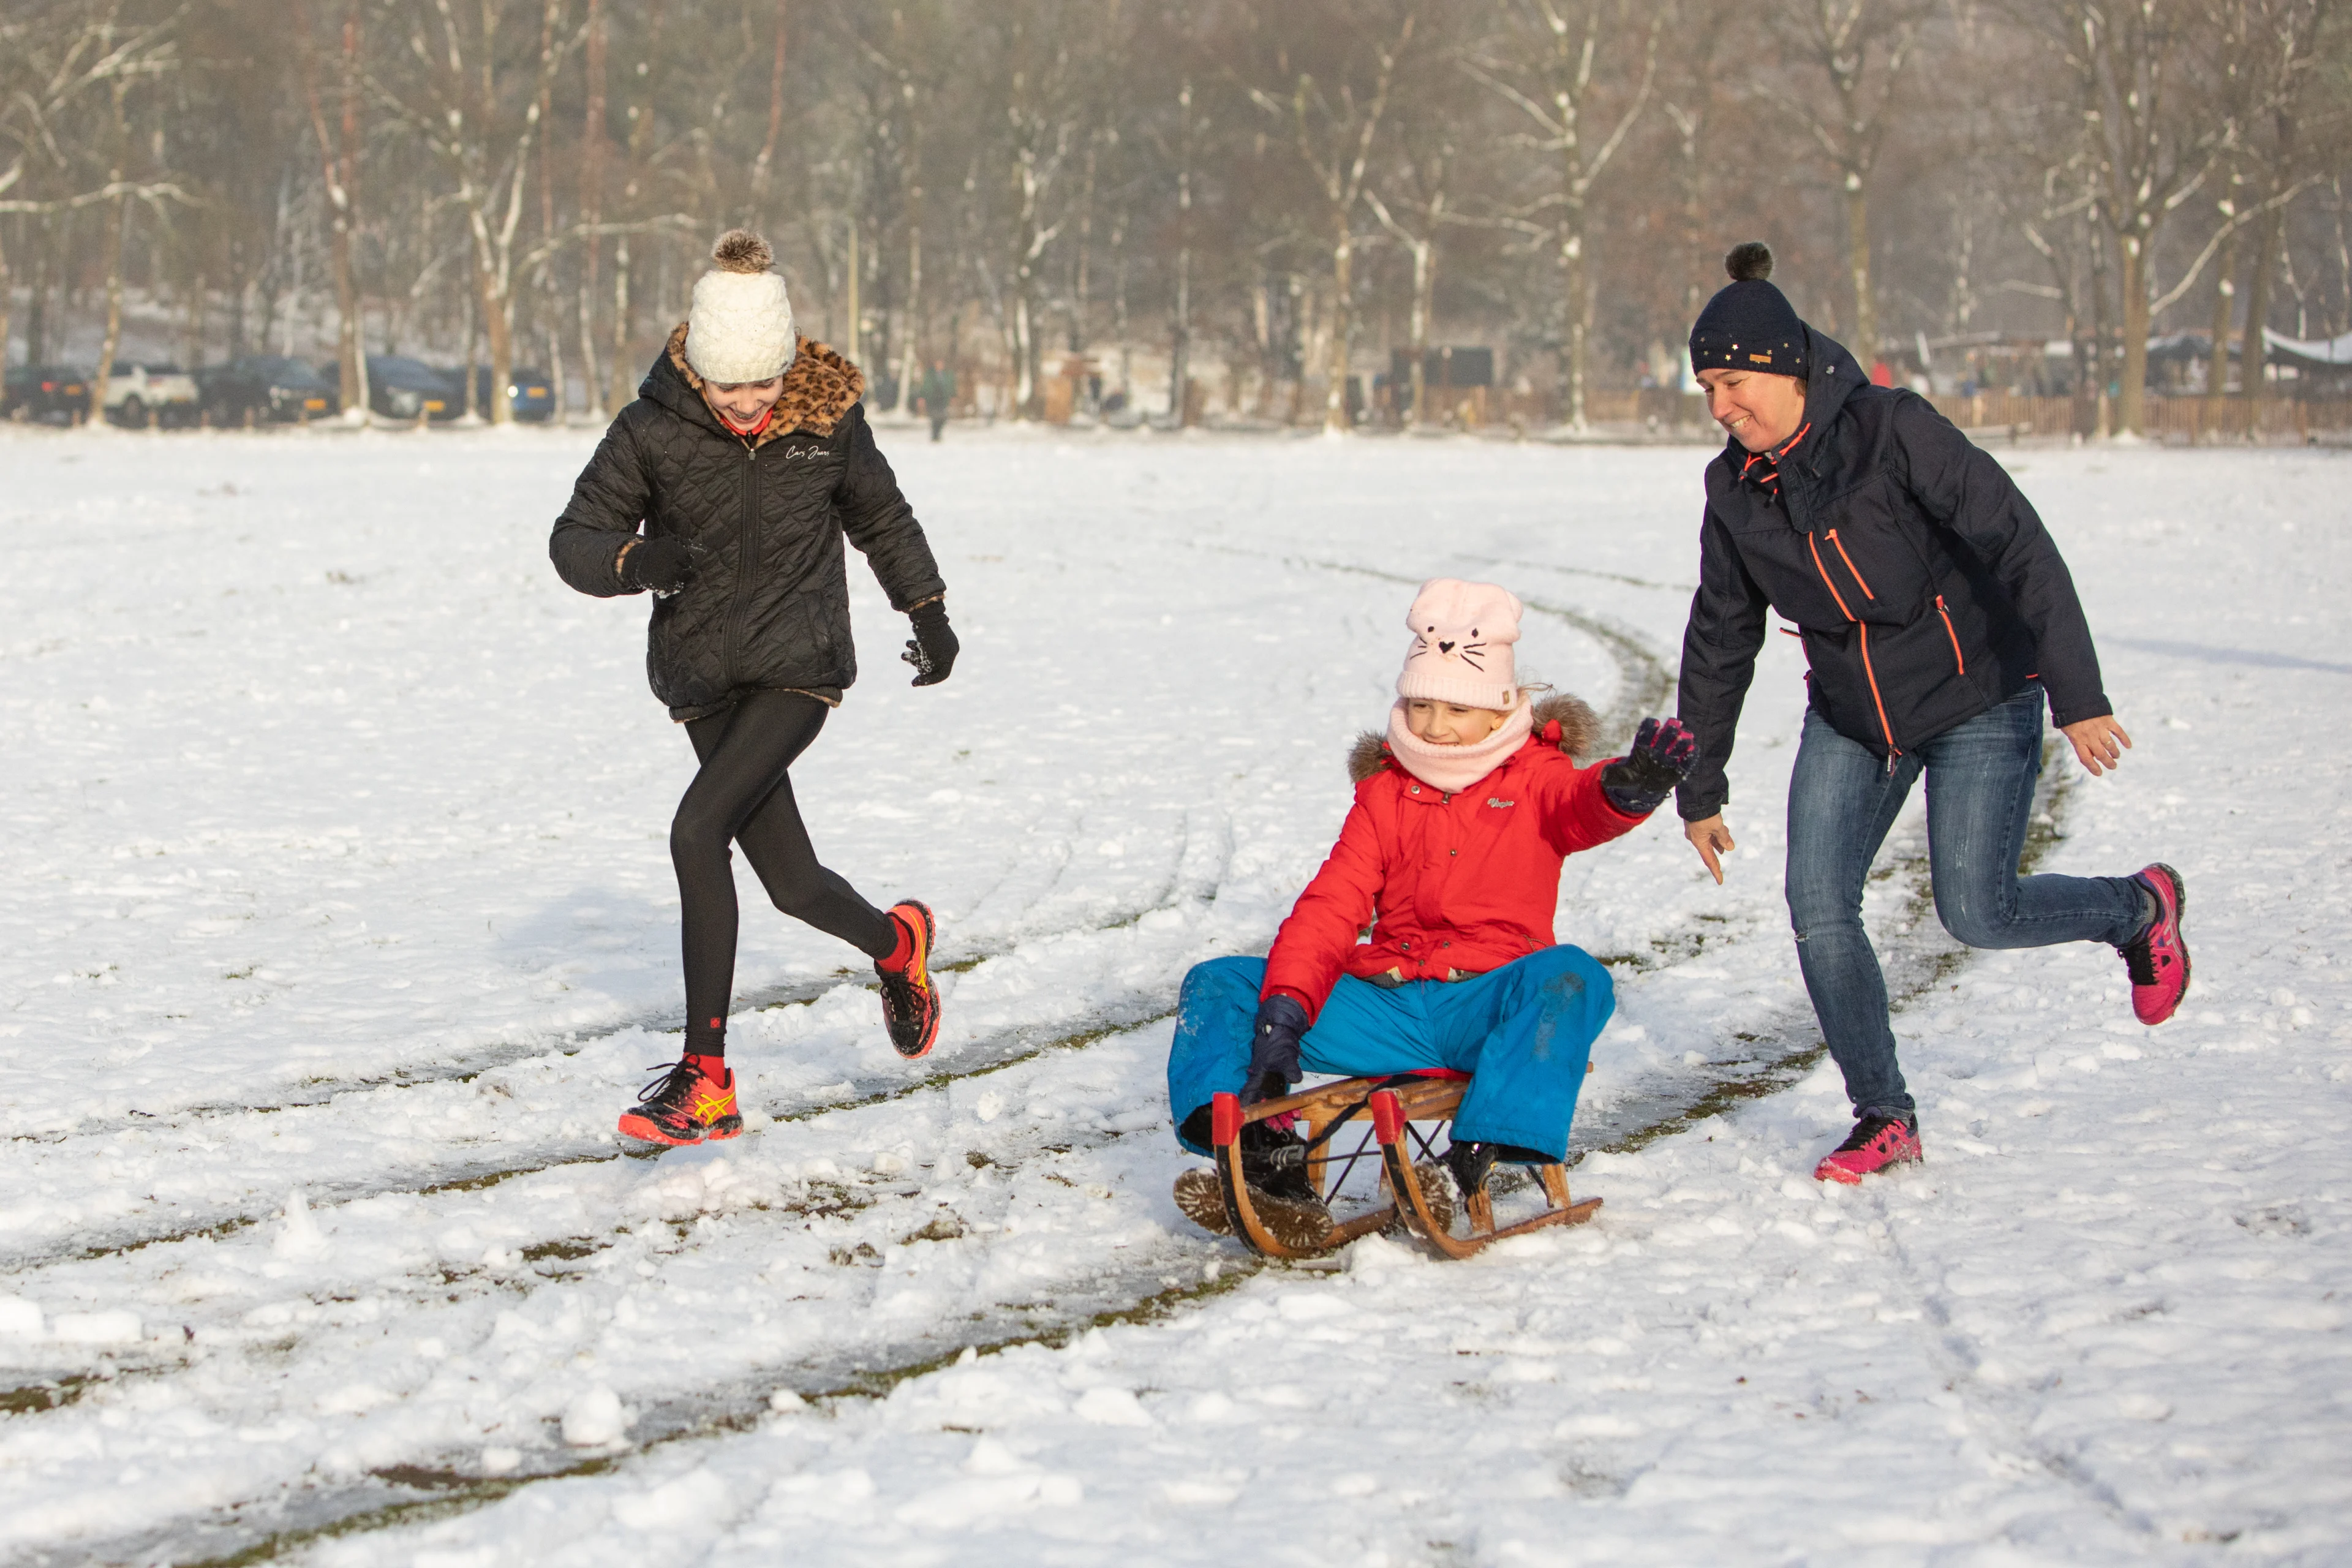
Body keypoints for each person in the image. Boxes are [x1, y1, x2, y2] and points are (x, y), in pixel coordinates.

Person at [1675, 241, 2188, 1185]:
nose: (1720, 407)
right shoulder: (1734, 491)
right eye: (1706, 387)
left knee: (1979, 913)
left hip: (1976, 694)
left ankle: (2137, 908)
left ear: (1787, 366)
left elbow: (2021, 543)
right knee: (1818, 907)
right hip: (1854, 717)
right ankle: (1884, 1117)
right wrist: (1698, 784)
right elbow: (1720, 636)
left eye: (1734, 381)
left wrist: (2078, 695)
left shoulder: (1893, 431)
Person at [549, 229, 961, 1147]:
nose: (746, 405)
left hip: (798, 665)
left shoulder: (826, 422)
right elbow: (573, 538)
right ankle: (898, 947)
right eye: (728, 387)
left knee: (698, 832)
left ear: (786, 368)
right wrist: (633, 557)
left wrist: (926, 609)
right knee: (792, 883)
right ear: (696, 370)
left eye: (763, 385)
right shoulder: (649, 429)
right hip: (702, 678)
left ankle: (706, 1081)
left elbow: (881, 516)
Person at [1166, 579, 1698, 1235]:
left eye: (1457, 709)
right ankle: (1260, 1158)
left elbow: (1583, 806)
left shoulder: (1536, 778)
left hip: (1485, 1007)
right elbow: (1332, 905)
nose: (1435, 728)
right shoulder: (1384, 794)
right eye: (1420, 705)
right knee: (1221, 983)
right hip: (1389, 1004)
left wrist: (1632, 786)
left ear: (1500, 711)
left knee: (1574, 976)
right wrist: (1283, 1016)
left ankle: (1472, 1157)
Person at [914, 356, 956, 443]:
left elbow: (951, 386)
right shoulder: (930, 375)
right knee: (934, 418)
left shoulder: (947, 375)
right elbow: (925, 387)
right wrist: (922, 398)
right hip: (932, 399)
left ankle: (938, 433)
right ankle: (935, 436)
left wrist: (952, 396)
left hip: (943, 399)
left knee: (943, 417)